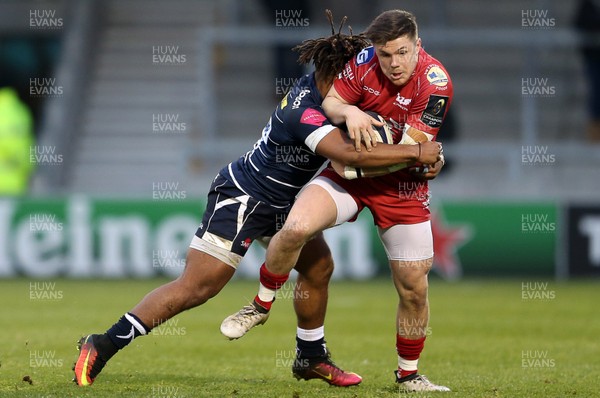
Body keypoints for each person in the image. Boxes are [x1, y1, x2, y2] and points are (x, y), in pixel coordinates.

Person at [73, 10, 443, 388]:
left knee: (318, 268)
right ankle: (103, 343)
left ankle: (310, 356)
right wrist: (418, 155)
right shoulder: (306, 110)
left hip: (284, 202)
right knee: (198, 287)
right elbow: (350, 157)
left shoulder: (340, 98)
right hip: (246, 195)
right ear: (333, 77)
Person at [223, 9, 452, 392]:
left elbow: (410, 152)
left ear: (418, 46)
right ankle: (260, 305)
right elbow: (329, 104)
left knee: (414, 288)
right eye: (385, 54)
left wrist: (355, 166)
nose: (394, 63)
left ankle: (409, 375)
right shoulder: (363, 63)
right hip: (352, 174)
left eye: (402, 52)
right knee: (296, 225)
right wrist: (349, 110)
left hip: (401, 187)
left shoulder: (436, 83)